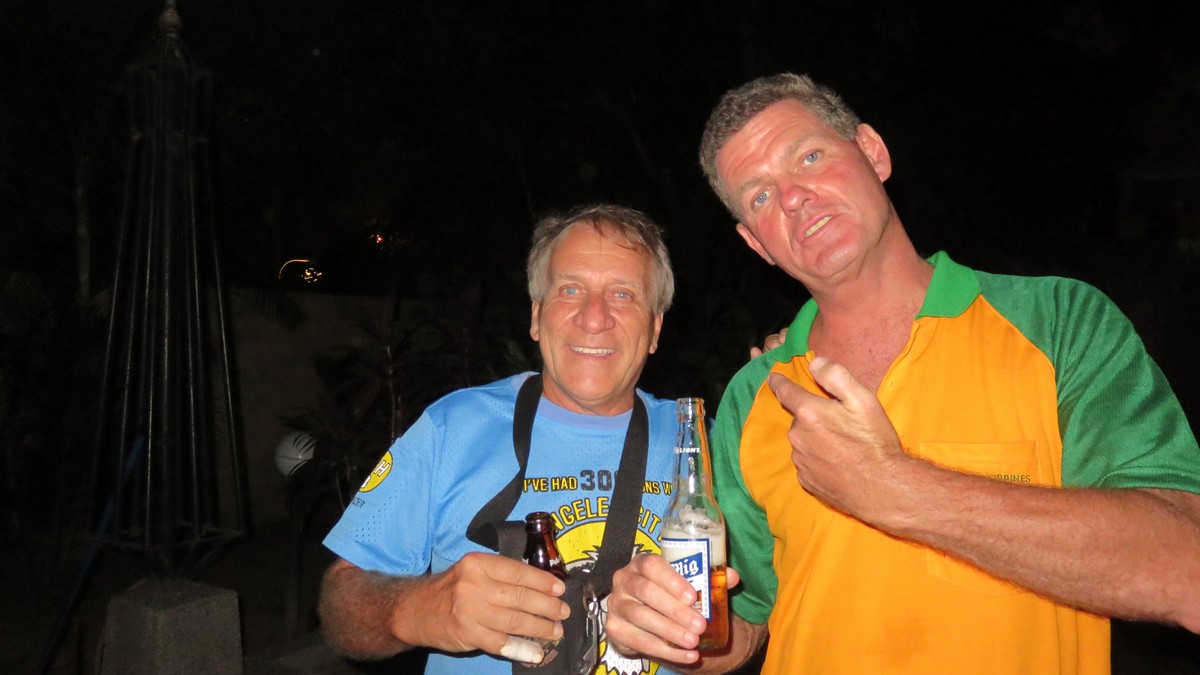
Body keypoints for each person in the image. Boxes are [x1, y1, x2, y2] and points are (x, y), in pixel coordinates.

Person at [604, 72, 1200, 674]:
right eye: (760, 196)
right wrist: (662, 623)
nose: (792, 198)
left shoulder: (1058, 322)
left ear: (873, 152)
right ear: (756, 244)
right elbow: (739, 625)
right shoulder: (755, 394)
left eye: (809, 157)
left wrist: (897, 489)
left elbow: (1185, 565)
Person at [318, 203, 689, 675]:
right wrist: (419, 608)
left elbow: (756, 617)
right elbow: (340, 606)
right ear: (536, 316)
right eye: (570, 289)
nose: (594, 318)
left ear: (655, 328)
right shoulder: (454, 427)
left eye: (622, 294)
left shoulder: (699, 441)